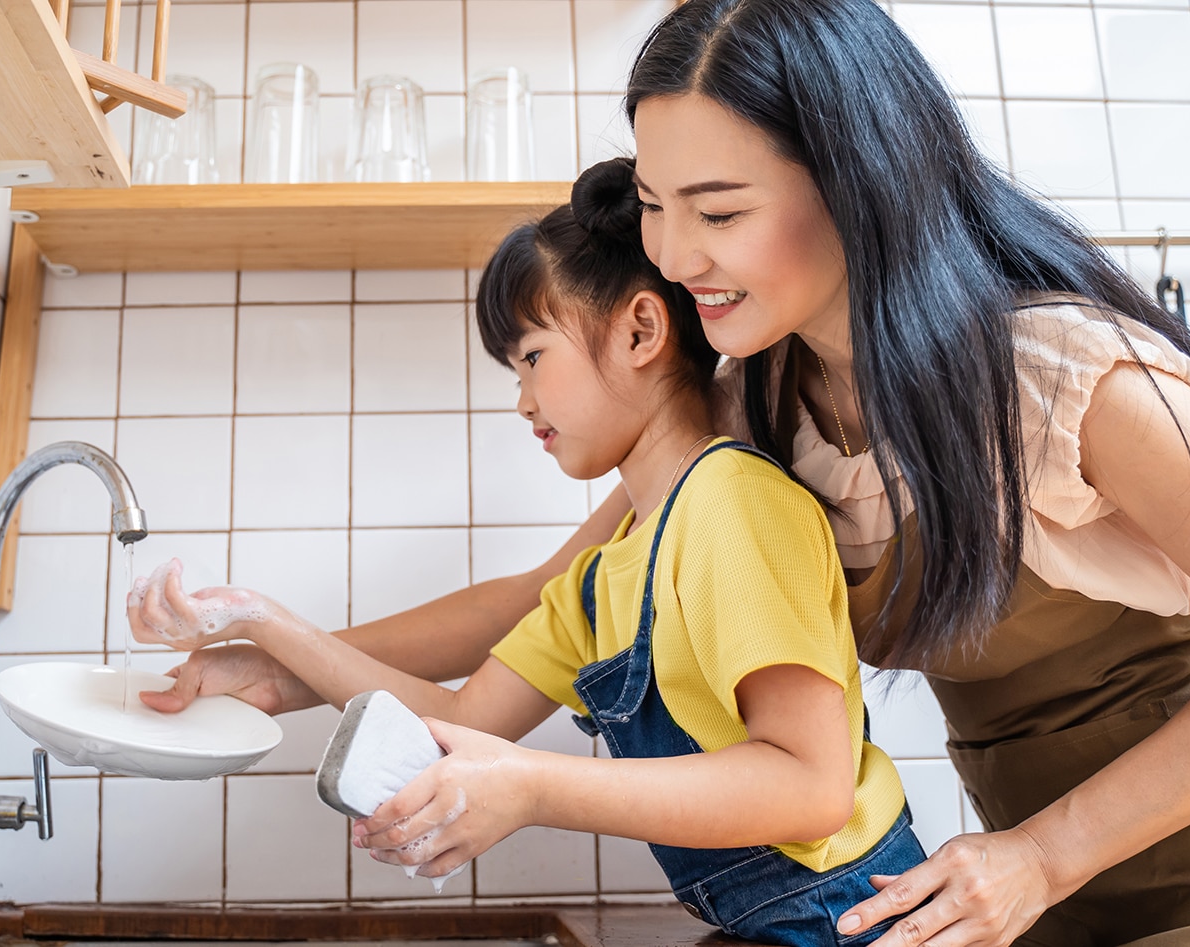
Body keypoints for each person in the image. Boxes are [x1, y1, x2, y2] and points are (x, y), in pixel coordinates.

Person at [136, 0, 1190, 943]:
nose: (675, 257)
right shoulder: (760, 398)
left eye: (720, 210)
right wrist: (284, 665)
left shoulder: (1060, 379)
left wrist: (1047, 852)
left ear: (859, 185)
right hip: (1023, 886)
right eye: (652, 205)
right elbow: (539, 602)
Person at [129, 159, 927, 946]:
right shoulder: (599, 580)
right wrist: (264, 626)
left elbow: (812, 787)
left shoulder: (732, 503)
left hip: (858, 917)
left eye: (533, 357)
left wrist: (533, 787)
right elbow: (455, 719)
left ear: (642, 330)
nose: (521, 401)